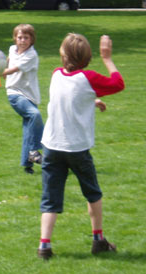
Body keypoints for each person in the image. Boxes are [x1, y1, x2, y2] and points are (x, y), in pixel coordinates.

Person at [38, 33, 125, 259]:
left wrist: (91, 101)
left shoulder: (56, 75)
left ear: (63, 54)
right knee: (93, 194)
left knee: (50, 198)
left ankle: (44, 246)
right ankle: (98, 241)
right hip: (76, 148)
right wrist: (107, 58)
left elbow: (67, 99)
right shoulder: (89, 78)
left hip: (51, 147)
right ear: (87, 56)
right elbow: (118, 84)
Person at [2, 24, 44, 174]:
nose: (22, 41)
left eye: (26, 38)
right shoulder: (12, 49)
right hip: (14, 93)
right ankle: (34, 151)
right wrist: (0, 68)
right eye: (19, 37)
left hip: (30, 95)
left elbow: (15, 69)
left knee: (29, 128)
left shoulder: (32, 55)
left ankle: (27, 165)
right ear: (15, 38)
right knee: (35, 115)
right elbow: (8, 61)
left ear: (32, 39)